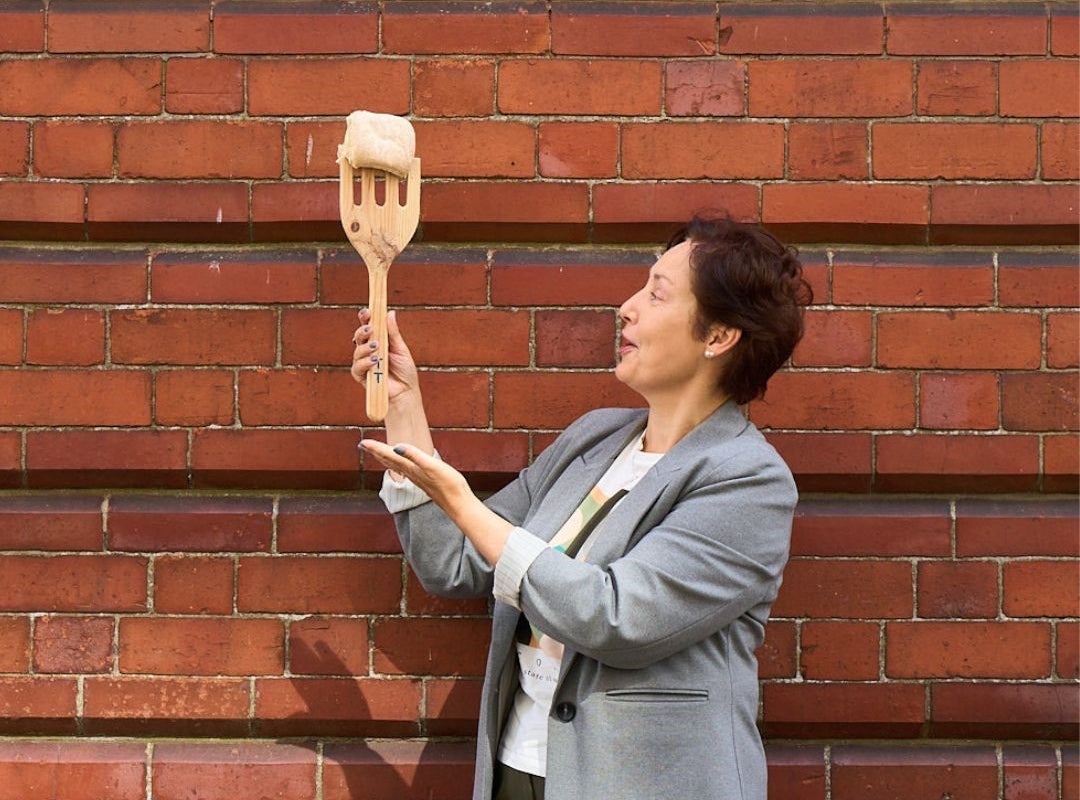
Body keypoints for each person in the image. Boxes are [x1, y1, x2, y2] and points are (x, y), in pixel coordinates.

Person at [354, 216, 813, 800]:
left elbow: (615, 618)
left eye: (656, 293)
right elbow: (454, 562)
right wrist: (404, 405)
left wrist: (464, 503)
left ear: (718, 336)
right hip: (519, 767)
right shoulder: (594, 440)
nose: (627, 307)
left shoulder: (748, 480)